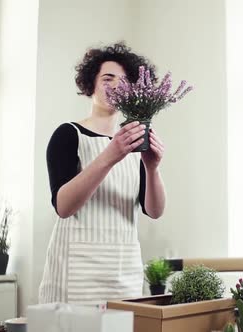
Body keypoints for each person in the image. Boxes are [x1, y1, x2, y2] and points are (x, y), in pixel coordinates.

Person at [38, 42, 166, 305]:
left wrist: (153, 169)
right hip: (76, 273)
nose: (116, 86)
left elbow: (154, 211)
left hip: (124, 272)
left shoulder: (134, 140)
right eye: (107, 78)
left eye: (124, 80)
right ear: (91, 84)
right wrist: (109, 155)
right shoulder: (68, 134)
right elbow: (63, 206)